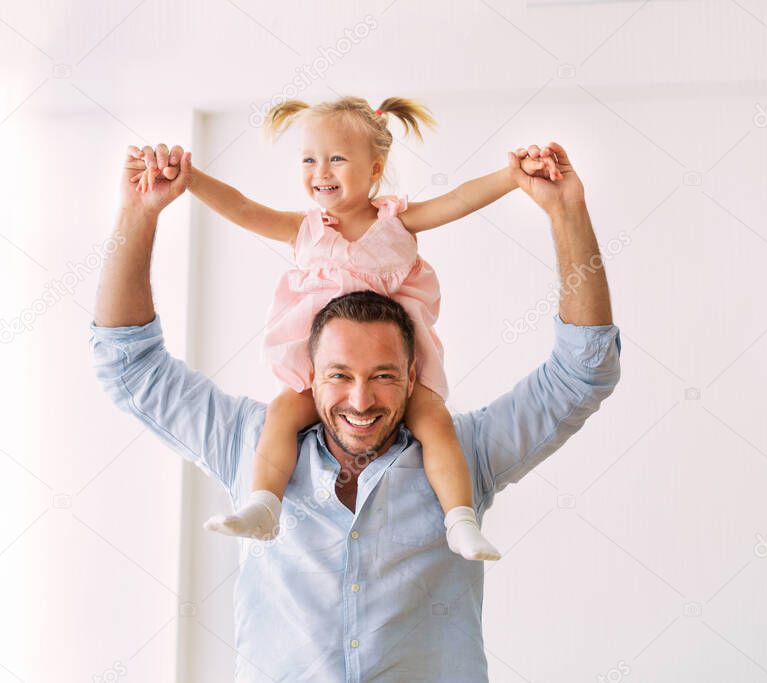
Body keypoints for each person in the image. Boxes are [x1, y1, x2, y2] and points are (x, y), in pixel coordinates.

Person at [92, 139, 621, 681]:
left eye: (384, 377)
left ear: (414, 375)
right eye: (339, 376)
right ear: (310, 374)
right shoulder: (248, 443)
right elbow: (129, 367)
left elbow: (583, 374)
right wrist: (139, 214)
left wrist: (566, 210)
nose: (361, 400)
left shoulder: (467, 455)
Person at [128, 96, 558, 560]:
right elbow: (243, 207)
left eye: (336, 159)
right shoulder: (306, 229)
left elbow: (456, 201)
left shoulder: (397, 222)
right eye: (309, 159)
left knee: (436, 424)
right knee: (281, 415)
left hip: (388, 368)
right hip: (326, 372)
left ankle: (460, 520)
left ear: (375, 169)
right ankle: (264, 504)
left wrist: (511, 178)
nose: (321, 171)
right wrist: (189, 180)